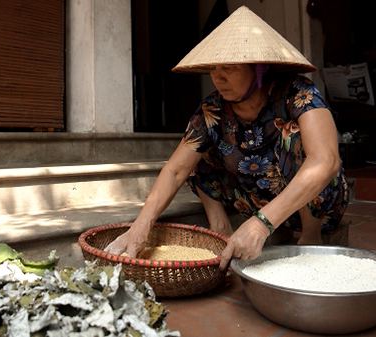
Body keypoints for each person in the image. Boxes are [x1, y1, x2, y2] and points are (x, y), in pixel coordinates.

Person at [105, 6, 349, 270]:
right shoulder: (213, 109)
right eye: (214, 68)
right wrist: (141, 227)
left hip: (315, 205)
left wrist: (261, 224)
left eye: (229, 68)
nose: (218, 78)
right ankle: (219, 222)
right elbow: (176, 171)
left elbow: (326, 161)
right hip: (254, 199)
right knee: (196, 143)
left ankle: (310, 235)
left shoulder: (297, 92)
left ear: (258, 68)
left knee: (296, 135)